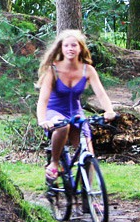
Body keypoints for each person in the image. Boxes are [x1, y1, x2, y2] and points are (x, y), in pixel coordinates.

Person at [36, 29, 116, 182]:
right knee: (62, 127)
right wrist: (42, 120)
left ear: (81, 48)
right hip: (54, 111)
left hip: (76, 113)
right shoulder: (53, 70)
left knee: (87, 154)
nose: (70, 49)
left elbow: (101, 94)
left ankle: (91, 198)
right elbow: (43, 101)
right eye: (66, 45)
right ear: (61, 48)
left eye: (74, 45)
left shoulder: (88, 70)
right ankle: (54, 163)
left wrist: (109, 110)